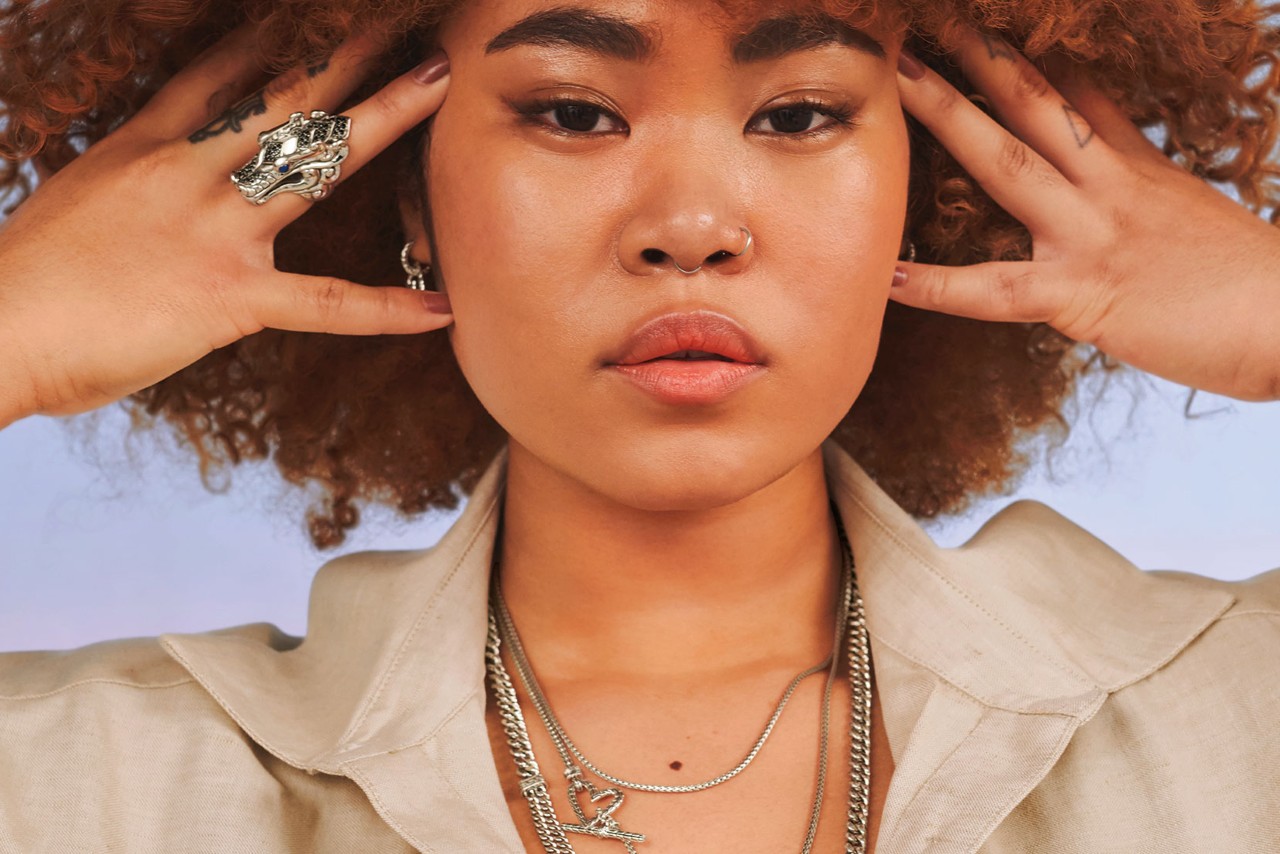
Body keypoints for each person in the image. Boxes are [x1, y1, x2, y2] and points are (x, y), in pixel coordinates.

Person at [0, 0, 1277, 851]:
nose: (691, 222)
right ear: (407, 194)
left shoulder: (1226, 707)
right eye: (569, 112)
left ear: (935, 190)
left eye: (795, 115)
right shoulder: (96, 776)